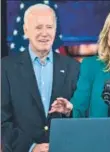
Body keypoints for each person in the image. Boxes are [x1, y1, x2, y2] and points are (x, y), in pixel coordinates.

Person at [1, 4, 80, 152]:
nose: (44, 33)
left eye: (49, 27)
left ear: (55, 30)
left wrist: (70, 110)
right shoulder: (5, 68)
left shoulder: (73, 67)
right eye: (38, 27)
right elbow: (2, 120)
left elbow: (81, 114)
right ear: (26, 30)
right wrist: (31, 148)